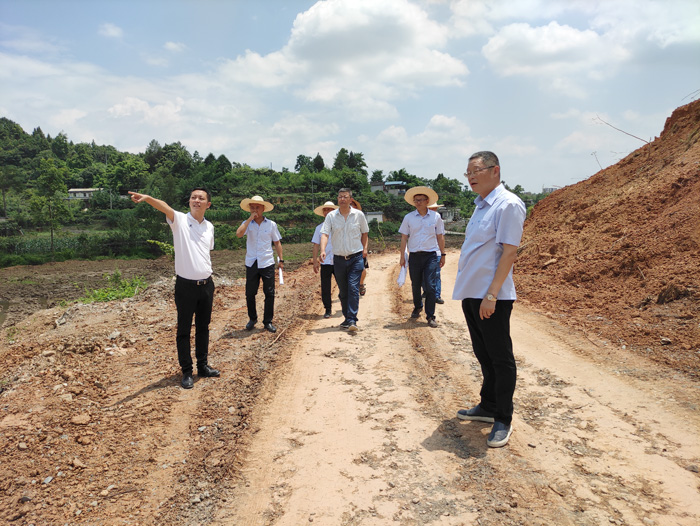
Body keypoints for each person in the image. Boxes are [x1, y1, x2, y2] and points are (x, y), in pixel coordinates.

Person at [453, 151, 526, 448]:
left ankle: (503, 418)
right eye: (468, 172)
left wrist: (492, 294)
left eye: (476, 170)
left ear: (495, 171)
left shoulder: (508, 204)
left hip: (491, 296)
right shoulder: (480, 205)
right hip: (472, 292)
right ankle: (487, 405)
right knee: (483, 355)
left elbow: (509, 252)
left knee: (500, 358)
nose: (471, 176)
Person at [128, 188, 220, 390]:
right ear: (189, 201)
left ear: (208, 204)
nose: (196, 200)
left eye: (201, 198)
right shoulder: (179, 220)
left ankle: (203, 366)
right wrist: (148, 198)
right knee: (184, 329)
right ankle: (187, 371)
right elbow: (165, 207)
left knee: (203, 327)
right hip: (185, 286)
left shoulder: (209, 227)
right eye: (193, 197)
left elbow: (206, 252)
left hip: (206, 285)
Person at [319, 188, 369, 332]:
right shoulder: (331, 216)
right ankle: (347, 318)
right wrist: (323, 250)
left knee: (353, 287)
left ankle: (352, 319)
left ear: (350, 199)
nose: (342, 199)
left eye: (345, 196)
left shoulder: (358, 215)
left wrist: (365, 248)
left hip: (356, 257)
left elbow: (365, 233)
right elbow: (324, 234)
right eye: (340, 197)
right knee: (343, 290)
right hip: (339, 259)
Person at [399, 186, 446, 328]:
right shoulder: (408, 217)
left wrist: (443, 254)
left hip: (431, 255)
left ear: (427, 201)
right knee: (415, 284)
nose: (418, 202)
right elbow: (404, 237)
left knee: (430, 286)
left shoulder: (436, 217)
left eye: (420, 200)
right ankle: (418, 306)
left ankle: (430, 315)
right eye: (416, 200)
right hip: (414, 255)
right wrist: (402, 256)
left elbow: (440, 236)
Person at [236, 195, 283, 333]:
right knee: (250, 293)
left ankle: (268, 321)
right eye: (252, 207)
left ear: (263, 209)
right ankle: (252, 319)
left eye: (257, 207)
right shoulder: (247, 224)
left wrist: (281, 260)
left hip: (267, 262)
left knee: (269, 293)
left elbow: (277, 242)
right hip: (252, 262)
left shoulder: (271, 224)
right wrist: (249, 219)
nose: (255, 210)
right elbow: (239, 234)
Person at [312, 201, 338, 318]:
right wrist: (315, 261)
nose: (327, 212)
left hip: (339, 260)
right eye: (325, 210)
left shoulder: (339, 226)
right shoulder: (319, 228)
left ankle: (345, 306)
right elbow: (316, 245)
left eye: (329, 209)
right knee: (325, 287)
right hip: (325, 261)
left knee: (343, 285)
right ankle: (328, 309)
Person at [428, 202, 445, 304]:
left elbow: (441, 236)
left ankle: (436, 295)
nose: (434, 210)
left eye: (435, 208)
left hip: (436, 252)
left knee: (436, 274)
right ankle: (428, 292)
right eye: (432, 208)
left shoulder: (438, 219)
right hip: (427, 252)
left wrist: (443, 253)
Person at [351, 198, 368, 296]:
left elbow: (365, 234)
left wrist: (364, 248)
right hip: (349, 249)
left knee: (362, 268)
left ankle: (361, 284)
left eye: (352, 205)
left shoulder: (360, 217)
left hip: (359, 248)